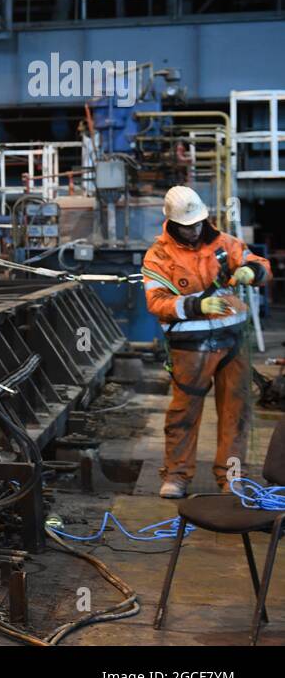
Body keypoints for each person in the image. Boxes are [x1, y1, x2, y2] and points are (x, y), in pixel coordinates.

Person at [141, 185, 271, 498]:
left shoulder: (225, 244)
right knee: (183, 413)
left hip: (233, 344)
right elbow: (156, 301)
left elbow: (261, 264)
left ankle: (232, 478)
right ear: (173, 223)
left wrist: (250, 272)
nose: (194, 230)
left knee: (236, 412)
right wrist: (196, 306)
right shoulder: (159, 255)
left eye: (198, 223)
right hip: (189, 349)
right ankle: (177, 476)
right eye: (187, 226)